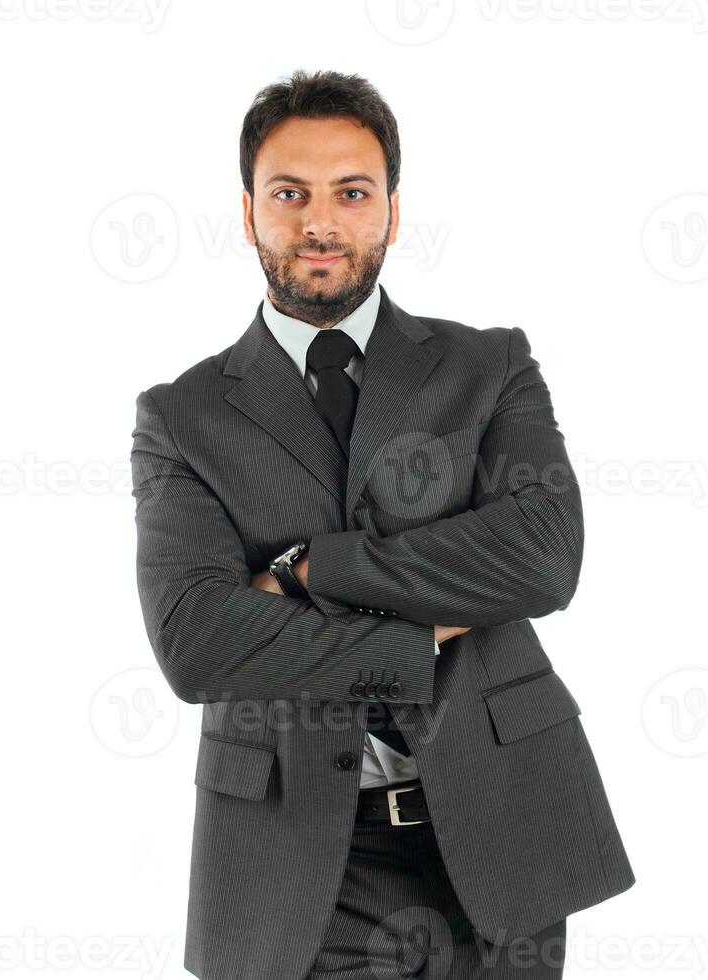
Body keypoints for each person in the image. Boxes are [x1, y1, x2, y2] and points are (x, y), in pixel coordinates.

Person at [130, 68, 635, 980]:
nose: (319, 222)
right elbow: (197, 643)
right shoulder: (183, 416)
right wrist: (419, 631)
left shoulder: (490, 366)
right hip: (298, 862)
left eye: (351, 193)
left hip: (501, 826)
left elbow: (543, 559)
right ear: (247, 213)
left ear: (393, 212)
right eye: (290, 194)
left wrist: (308, 570)